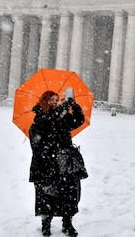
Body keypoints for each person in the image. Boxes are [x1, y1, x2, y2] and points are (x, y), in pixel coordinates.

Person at [29, 90, 85, 236]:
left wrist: (74, 106)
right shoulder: (40, 115)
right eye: (51, 100)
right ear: (45, 101)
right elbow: (49, 122)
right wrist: (62, 110)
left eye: (56, 99)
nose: (55, 102)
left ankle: (67, 223)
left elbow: (79, 121)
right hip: (47, 162)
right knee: (46, 194)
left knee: (69, 193)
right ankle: (46, 224)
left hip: (65, 162)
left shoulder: (63, 115)